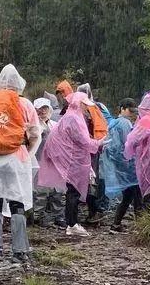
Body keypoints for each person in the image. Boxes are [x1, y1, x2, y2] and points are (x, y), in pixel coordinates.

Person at [0, 64, 41, 264]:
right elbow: (36, 133)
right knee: (17, 202)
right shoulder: (26, 104)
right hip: (17, 157)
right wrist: (26, 153)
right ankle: (20, 249)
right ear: (19, 84)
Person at [37, 91, 105, 237]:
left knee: (72, 192)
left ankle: (72, 222)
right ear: (79, 104)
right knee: (73, 192)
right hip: (73, 161)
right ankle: (72, 224)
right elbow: (82, 140)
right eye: (85, 105)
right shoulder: (73, 118)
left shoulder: (71, 117)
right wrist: (98, 142)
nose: (87, 108)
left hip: (73, 160)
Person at [100, 99, 142, 232]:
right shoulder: (124, 123)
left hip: (119, 166)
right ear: (122, 109)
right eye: (129, 110)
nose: (131, 113)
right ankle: (141, 226)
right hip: (128, 166)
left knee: (128, 196)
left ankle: (116, 224)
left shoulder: (113, 123)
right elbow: (126, 144)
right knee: (137, 195)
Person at [77, 82, 110, 223]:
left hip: (85, 148)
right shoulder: (96, 108)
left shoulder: (83, 109)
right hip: (94, 147)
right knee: (91, 180)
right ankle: (93, 211)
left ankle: (91, 211)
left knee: (85, 181)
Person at [30, 97, 65, 227]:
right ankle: (39, 217)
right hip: (39, 162)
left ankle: (58, 216)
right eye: (39, 108)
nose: (42, 111)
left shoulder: (55, 125)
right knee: (41, 192)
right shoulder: (33, 126)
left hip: (55, 163)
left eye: (45, 108)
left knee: (58, 191)